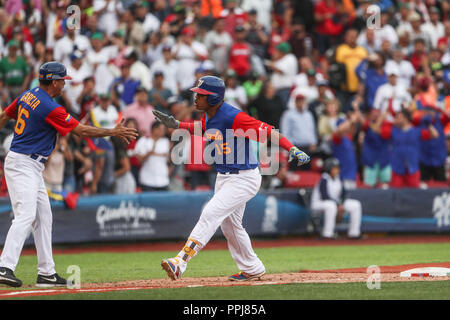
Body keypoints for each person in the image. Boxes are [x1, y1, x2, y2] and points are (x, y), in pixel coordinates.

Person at [153, 75, 310, 281]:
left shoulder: (233, 116)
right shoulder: (210, 114)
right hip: (225, 175)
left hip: (244, 177)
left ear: (213, 98)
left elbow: (268, 131)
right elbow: (204, 129)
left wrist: (293, 148)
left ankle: (180, 261)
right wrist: (178, 124)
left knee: (211, 212)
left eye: (201, 95)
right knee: (231, 226)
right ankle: (252, 268)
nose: (196, 98)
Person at [0, 61, 137, 288]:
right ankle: (5, 266)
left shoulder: (28, 95)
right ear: (53, 81)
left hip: (30, 165)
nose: (64, 84)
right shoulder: (49, 106)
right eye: (62, 80)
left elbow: (5, 115)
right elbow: (81, 131)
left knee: (44, 217)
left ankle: (46, 273)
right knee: (25, 215)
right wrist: (112, 131)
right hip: (23, 163)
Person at [310, 157, 362, 239]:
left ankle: (354, 233)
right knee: (331, 206)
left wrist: (341, 204)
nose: (337, 170)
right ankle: (327, 234)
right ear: (328, 168)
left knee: (356, 205)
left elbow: (344, 194)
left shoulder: (339, 178)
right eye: (335, 168)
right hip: (319, 203)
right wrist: (338, 205)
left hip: (335, 203)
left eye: (338, 168)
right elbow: (324, 196)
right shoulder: (324, 179)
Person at [135, 121, 170, 191]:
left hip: (163, 180)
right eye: (161, 129)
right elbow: (139, 160)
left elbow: (169, 160)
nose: (163, 131)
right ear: (154, 129)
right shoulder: (143, 141)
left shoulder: (166, 142)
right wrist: (149, 153)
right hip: (147, 180)